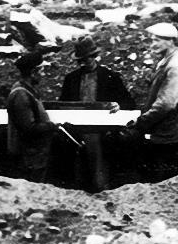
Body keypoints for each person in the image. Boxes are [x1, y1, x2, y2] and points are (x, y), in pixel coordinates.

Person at [58, 35, 135, 191]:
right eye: (82, 59)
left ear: (94, 56)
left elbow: (129, 103)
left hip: (101, 131)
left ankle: (101, 190)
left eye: (89, 57)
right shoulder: (71, 79)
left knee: (99, 166)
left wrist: (118, 106)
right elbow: (63, 104)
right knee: (78, 166)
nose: (86, 62)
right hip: (76, 129)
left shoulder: (109, 77)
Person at [126, 22, 178, 181]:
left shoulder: (175, 67)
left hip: (169, 134)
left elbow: (166, 104)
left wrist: (142, 121)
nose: (152, 44)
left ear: (170, 41)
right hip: (163, 131)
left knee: (165, 180)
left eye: (157, 40)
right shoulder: (166, 63)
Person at [6, 50, 57, 182]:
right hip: (29, 159)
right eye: (41, 71)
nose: (43, 74)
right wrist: (51, 126)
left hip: (35, 156)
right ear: (33, 72)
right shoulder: (21, 95)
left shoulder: (29, 90)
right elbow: (29, 128)